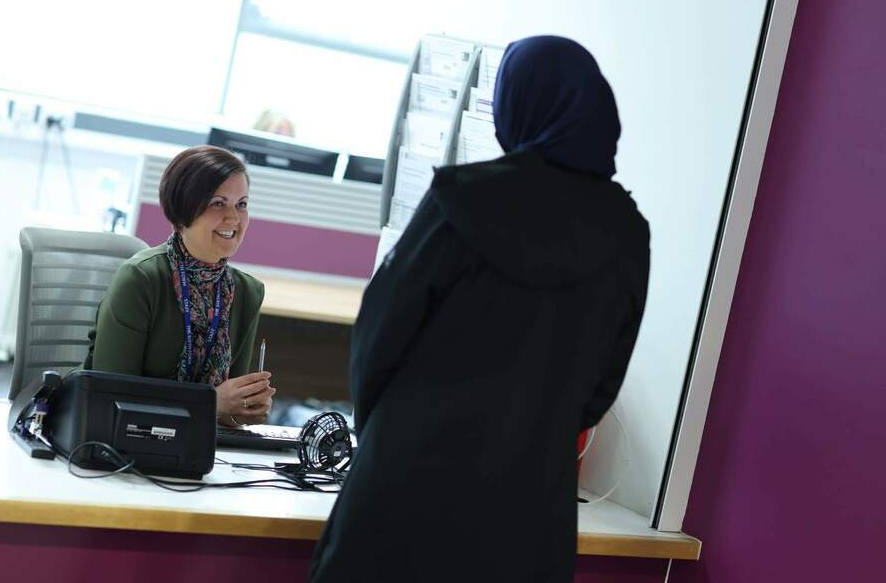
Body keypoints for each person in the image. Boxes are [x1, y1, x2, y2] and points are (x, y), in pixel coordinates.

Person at [307, 36, 650, 582]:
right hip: (526, 512)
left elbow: (378, 338)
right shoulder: (628, 235)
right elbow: (601, 386)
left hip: (404, 486)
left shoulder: (459, 197)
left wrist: (383, 437)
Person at [84, 145, 275, 427]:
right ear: (185, 209)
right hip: (120, 441)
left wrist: (244, 405)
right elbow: (111, 397)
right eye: (218, 203)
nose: (234, 218)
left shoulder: (246, 292)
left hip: (196, 448)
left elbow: (227, 414)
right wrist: (210, 402)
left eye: (242, 204)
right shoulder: (140, 279)